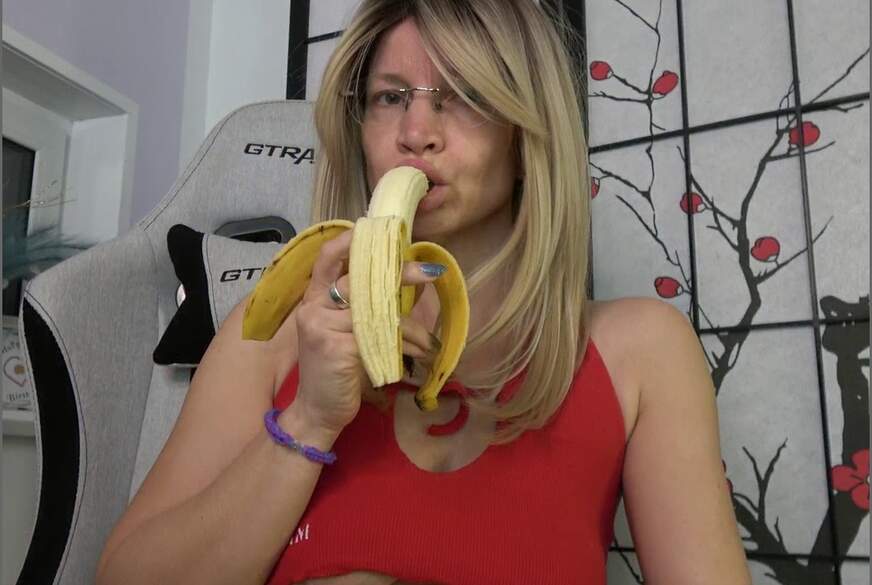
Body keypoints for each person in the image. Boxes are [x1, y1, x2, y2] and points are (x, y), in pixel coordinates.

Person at [96, 1, 752, 584]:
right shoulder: (276, 330)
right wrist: (308, 421)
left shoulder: (641, 352)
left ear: (527, 132)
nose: (415, 131)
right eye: (390, 97)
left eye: (464, 93)